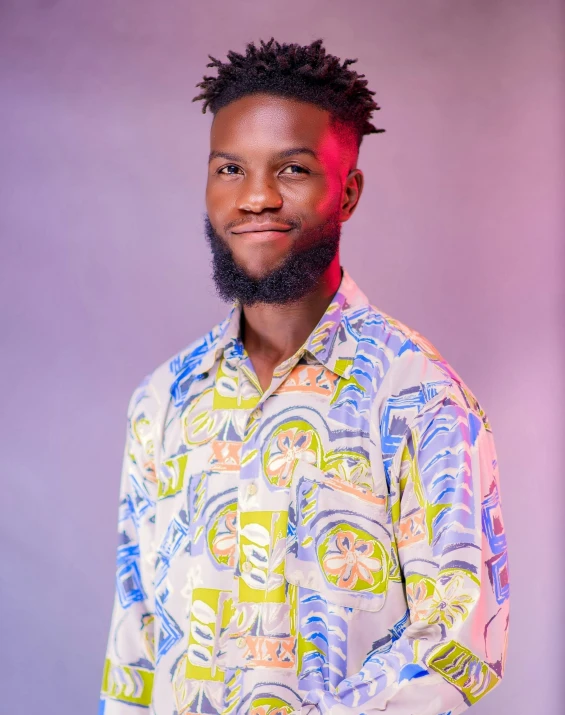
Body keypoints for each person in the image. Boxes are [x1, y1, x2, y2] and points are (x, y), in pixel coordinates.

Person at [100, 37, 509, 715]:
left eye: (291, 169)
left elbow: (461, 642)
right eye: (230, 168)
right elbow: (134, 648)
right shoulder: (161, 402)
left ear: (346, 192)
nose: (255, 197)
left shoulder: (420, 396)